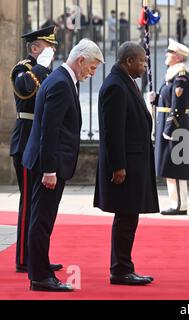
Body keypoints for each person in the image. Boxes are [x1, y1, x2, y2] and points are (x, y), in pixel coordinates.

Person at [22, 39, 104, 292]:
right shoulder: (60, 83)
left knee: (43, 219)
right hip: (49, 164)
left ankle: (41, 268)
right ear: (80, 60)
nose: (91, 74)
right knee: (42, 220)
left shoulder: (63, 79)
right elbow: (50, 130)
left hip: (49, 162)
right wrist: (49, 170)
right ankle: (40, 277)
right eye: (91, 68)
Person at [94, 42, 159, 286]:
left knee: (129, 217)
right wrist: (118, 166)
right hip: (125, 167)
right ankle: (121, 269)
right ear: (129, 61)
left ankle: (123, 267)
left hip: (134, 162)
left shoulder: (125, 82)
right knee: (126, 218)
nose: (145, 66)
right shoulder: (115, 87)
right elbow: (113, 131)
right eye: (142, 62)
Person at [10, 26, 59, 274]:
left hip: (40, 141)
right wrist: (40, 66)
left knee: (40, 205)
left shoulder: (48, 71)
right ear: (34, 48)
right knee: (29, 203)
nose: (52, 50)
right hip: (25, 141)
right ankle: (22, 258)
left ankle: (38, 256)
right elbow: (24, 90)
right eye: (47, 46)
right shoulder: (23, 69)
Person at [150, 39, 189, 216]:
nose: (165, 56)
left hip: (175, 127)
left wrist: (169, 129)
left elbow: (178, 106)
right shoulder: (172, 76)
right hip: (169, 124)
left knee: (174, 166)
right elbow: (168, 99)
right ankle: (178, 202)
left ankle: (178, 204)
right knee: (170, 166)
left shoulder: (181, 77)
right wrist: (156, 97)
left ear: (176, 57)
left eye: (168, 53)